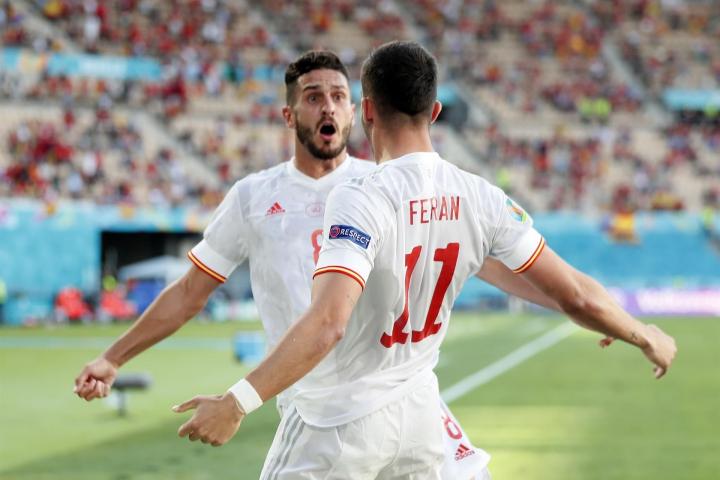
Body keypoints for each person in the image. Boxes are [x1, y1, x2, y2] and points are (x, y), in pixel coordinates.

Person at [154, 42, 677, 478]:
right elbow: (576, 294)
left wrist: (237, 402)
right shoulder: (482, 196)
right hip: (420, 416)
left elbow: (329, 322)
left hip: (337, 423)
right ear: (435, 111)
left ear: (367, 111)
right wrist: (640, 332)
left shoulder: (362, 196)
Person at [73, 50, 560, 479]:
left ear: (357, 110)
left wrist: (573, 305)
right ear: (289, 115)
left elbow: (485, 262)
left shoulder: (386, 186)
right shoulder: (253, 198)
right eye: (313, 97)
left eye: (338, 96)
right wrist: (113, 357)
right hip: (317, 406)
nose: (328, 106)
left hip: (399, 396)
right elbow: (188, 293)